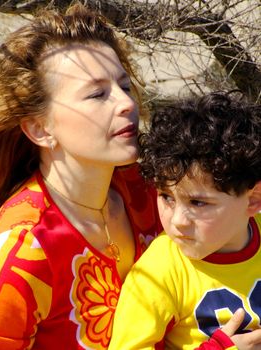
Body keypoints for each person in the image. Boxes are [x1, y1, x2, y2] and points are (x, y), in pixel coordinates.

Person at [0, 3, 163, 349]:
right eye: (97, 94)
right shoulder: (22, 250)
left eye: (124, 86)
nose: (126, 104)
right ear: (40, 129)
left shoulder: (155, 193)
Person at [108, 91, 261, 350]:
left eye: (198, 202)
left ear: (253, 200)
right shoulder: (157, 273)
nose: (177, 221)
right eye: (166, 197)